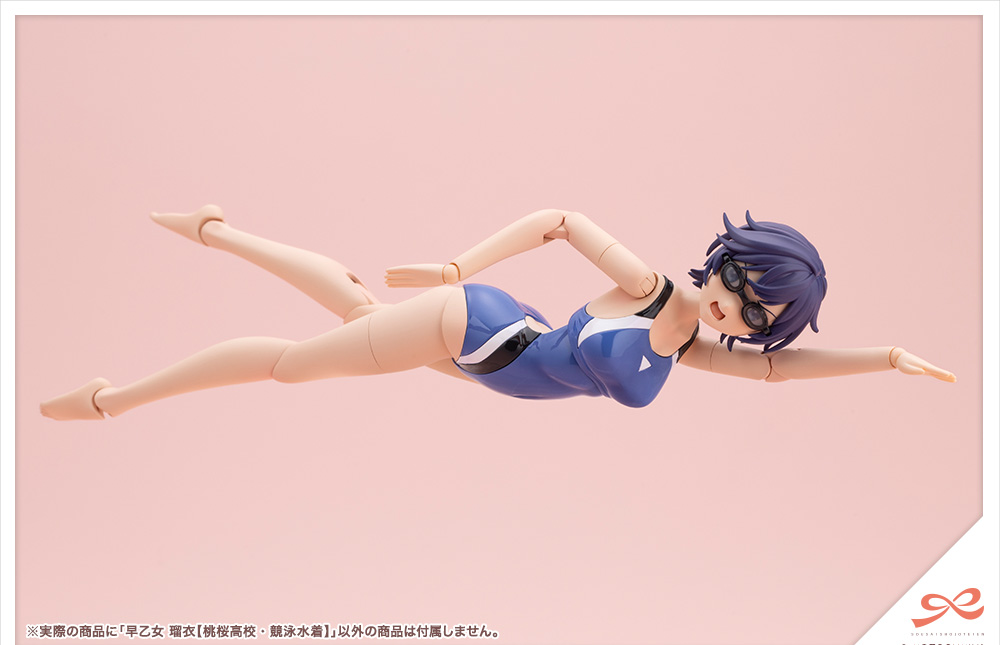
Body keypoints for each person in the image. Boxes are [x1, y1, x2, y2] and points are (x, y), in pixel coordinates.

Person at [40, 205, 955, 420]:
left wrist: (885, 357)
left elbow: (777, 369)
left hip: (491, 354)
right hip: (474, 327)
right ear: (722, 260)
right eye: (738, 282)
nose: (733, 306)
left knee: (354, 304)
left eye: (753, 311)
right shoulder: (652, 293)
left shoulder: (695, 348)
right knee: (289, 365)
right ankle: (112, 400)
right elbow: (562, 219)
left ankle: (216, 229)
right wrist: (457, 266)